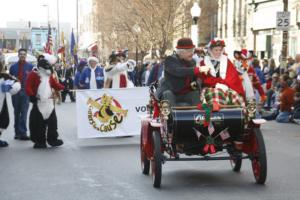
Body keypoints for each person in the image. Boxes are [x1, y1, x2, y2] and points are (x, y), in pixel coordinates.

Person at [25, 58, 65, 148]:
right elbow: (28, 86)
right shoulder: (33, 75)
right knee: (38, 123)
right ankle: (39, 141)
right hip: (39, 102)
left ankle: (52, 139)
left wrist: (64, 87)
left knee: (52, 123)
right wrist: (31, 95)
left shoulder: (49, 76)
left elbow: (55, 85)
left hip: (49, 103)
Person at [156, 38, 204, 107]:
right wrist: (196, 70)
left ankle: (196, 116)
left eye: (192, 50)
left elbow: (194, 80)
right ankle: (170, 117)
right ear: (181, 52)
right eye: (189, 51)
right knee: (168, 94)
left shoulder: (192, 61)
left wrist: (198, 81)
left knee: (195, 93)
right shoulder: (170, 60)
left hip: (186, 94)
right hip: (172, 92)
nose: (192, 53)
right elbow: (178, 71)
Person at [9, 48, 33, 140]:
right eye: (21, 54)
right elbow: (9, 80)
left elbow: (32, 80)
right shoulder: (12, 67)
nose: (22, 55)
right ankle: (17, 132)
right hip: (15, 92)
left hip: (25, 92)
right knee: (16, 112)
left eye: (24, 54)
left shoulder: (30, 67)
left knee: (24, 113)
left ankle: (23, 132)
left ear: (26, 55)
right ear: (18, 55)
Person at [0, 62, 21, 147]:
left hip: (1, 103)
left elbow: (16, 82)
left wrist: (11, 87)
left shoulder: (4, 76)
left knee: (4, 121)